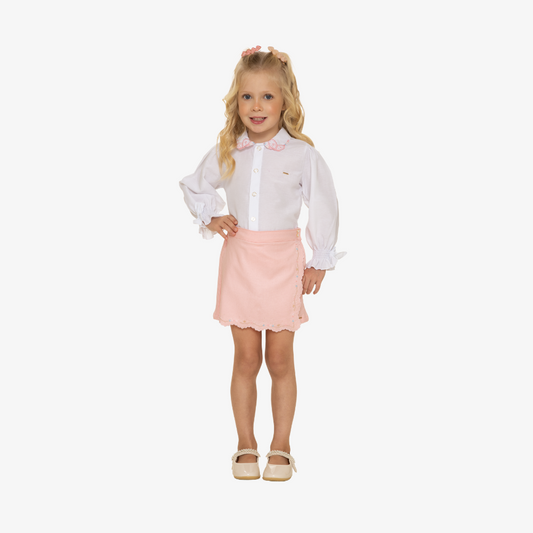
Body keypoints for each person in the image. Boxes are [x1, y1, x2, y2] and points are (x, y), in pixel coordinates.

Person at [179, 45, 345, 482]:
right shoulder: (228, 149)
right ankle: (245, 443)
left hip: (282, 264)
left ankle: (282, 445)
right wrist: (211, 216)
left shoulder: (301, 154)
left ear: (285, 100)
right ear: (236, 101)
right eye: (247, 97)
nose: (256, 106)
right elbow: (195, 185)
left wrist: (320, 259)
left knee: (280, 360)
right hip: (240, 262)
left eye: (267, 96)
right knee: (246, 358)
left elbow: (324, 204)